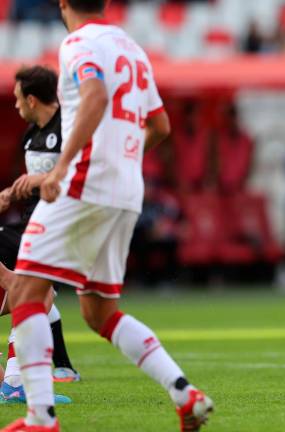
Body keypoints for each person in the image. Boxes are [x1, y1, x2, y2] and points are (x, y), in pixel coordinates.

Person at [1, 1, 213, 431]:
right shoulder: (131, 48)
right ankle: (184, 394)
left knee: (24, 289)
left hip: (83, 183)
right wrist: (122, 161)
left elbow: (95, 96)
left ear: (63, 5)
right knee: (99, 311)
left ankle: (40, 418)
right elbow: (161, 127)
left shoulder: (78, 43)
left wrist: (62, 167)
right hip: (124, 190)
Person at [1, 66, 81, 405]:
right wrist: (17, 190)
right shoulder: (31, 134)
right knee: (35, 293)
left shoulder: (69, 129)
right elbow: (37, 178)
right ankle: (17, 381)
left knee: (31, 291)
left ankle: (43, 372)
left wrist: (32, 183)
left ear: (32, 99)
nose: (17, 107)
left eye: (18, 100)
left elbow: (77, 174)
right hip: (39, 224)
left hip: (59, 221)